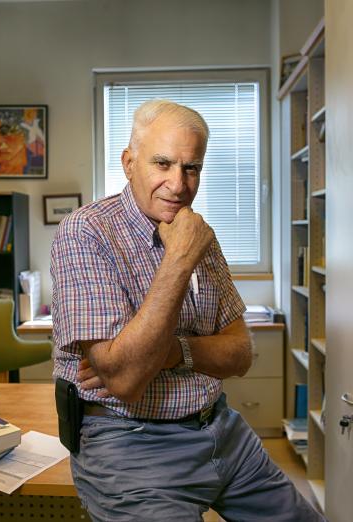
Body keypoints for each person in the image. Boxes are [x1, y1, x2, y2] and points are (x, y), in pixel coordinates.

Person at [51, 100, 326, 521]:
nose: (178, 185)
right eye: (162, 163)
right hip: (130, 444)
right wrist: (179, 258)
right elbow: (125, 380)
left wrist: (169, 353)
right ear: (129, 163)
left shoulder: (197, 233)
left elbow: (241, 353)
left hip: (221, 429)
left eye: (191, 168)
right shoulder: (86, 231)